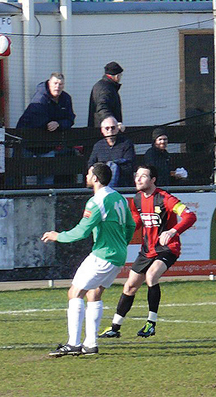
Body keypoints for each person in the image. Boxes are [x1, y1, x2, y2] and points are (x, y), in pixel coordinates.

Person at [42, 162, 135, 357]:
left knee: (74, 293)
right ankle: (90, 344)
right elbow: (131, 225)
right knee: (94, 294)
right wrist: (121, 244)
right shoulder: (119, 198)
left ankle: (74, 344)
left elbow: (82, 231)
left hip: (102, 254)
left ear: (95, 178)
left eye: (88, 173)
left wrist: (57, 236)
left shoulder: (97, 202)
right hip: (118, 256)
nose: (86, 176)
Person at [99, 164, 196, 339]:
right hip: (147, 250)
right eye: (137, 175)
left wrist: (173, 231)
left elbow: (190, 216)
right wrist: (120, 233)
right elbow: (136, 222)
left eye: (143, 176)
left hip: (168, 248)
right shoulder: (136, 199)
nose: (138, 178)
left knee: (151, 276)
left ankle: (151, 324)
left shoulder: (165, 198)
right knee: (129, 286)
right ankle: (115, 328)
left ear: (153, 180)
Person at [15, 72, 76, 185]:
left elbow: (70, 118)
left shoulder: (66, 98)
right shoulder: (40, 99)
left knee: (47, 175)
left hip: (48, 144)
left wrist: (59, 124)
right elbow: (41, 122)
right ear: (49, 83)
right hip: (27, 141)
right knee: (20, 173)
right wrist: (51, 124)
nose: (57, 86)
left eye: (61, 84)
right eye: (55, 83)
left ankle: (47, 198)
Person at [87, 116, 136, 187]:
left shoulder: (126, 143)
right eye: (107, 128)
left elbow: (130, 165)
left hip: (122, 183)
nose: (110, 131)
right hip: (101, 184)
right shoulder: (98, 145)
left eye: (113, 128)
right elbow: (91, 164)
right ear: (102, 130)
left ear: (117, 129)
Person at [88, 61, 124, 130]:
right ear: (117, 76)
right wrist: (111, 122)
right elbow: (102, 107)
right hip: (106, 131)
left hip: (97, 128)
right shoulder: (107, 89)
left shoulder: (100, 85)